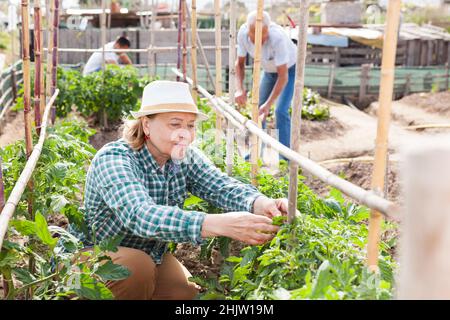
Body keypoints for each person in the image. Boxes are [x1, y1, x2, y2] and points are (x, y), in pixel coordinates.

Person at [67, 80, 294, 300]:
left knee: (184, 292)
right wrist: (220, 224)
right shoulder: (115, 159)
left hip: (148, 255)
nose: (185, 133)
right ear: (146, 125)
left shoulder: (183, 157)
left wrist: (262, 203)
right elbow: (140, 215)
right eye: (175, 124)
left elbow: (221, 186)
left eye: (190, 125)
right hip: (87, 257)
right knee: (136, 269)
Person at [235, 11, 297, 156]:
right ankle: (255, 152)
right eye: (255, 36)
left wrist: (269, 104)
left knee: (280, 110)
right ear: (248, 30)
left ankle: (285, 158)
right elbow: (240, 64)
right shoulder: (243, 34)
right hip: (269, 72)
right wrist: (239, 89)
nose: (260, 40)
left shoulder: (277, 38)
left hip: (289, 70)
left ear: (268, 29)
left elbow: (283, 76)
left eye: (263, 35)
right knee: (257, 109)